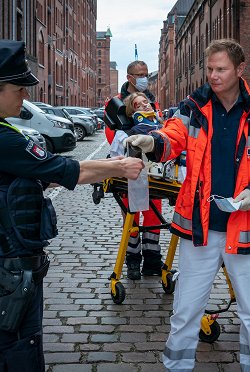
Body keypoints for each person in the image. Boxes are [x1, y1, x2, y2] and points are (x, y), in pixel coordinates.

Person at [0, 40, 143, 371]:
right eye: (17, 88)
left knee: (7, 354)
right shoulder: (2, 139)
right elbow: (67, 170)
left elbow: (35, 177)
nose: (24, 96)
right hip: (11, 272)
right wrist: (120, 166)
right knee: (20, 356)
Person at [125, 39, 250, 371]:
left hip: (247, 228)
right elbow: (173, 136)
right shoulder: (194, 106)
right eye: (209, 69)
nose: (213, 76)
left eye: (221, 69)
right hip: (199, 229)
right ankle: (177, 367)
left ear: (240, 69)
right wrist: (154, 141)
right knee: (186, 309)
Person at [105, 60, 164, 280]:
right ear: (130, 77)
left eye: (146, 74)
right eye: (140, 74)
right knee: (131, 215)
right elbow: (113, 137)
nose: (144, 78)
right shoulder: (116, 103)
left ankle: (152, 260)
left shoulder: (151, 101)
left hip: (153, 169)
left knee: (153, 215)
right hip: (130, 169)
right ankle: (132, 260)